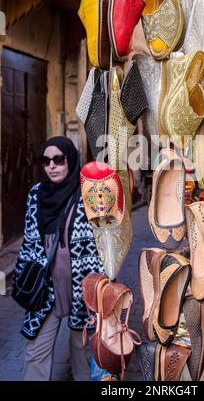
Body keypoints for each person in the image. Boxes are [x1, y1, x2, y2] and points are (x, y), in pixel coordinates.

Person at [13, 136, 105, 381]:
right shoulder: (36, 194)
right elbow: (29, 241)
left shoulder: (88, 193)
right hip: (46, 287)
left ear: (70, 160)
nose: (52, 166)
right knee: (36, 349)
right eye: (45, 161)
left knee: (82, 348)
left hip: (82, 286)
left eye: (58, 159)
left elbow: (105, 241)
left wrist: (102, 284)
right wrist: (25, 278)